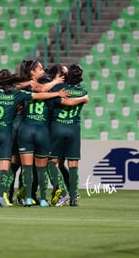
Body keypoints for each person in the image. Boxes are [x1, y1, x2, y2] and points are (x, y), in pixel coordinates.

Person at [0, 69, 70, 207]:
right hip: (7, 132)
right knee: (9, 165)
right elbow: (39, 95)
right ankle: (16, 195)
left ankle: (5, 194)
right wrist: (57, 93)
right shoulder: (17, 94)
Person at [17, 62, 88, 207]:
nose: (63, 76)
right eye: (62, 73)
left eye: (65, 73)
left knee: (42, 164)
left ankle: (49, 193)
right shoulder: (70, 89)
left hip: (50, 128)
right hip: (60, 129)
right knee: (62, 164)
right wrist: (84, 98)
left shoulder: (54, 87)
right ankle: (69, 195)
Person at [47, 63, 89, 206]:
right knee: (73, 164)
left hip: (58, 126)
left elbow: (65, 101)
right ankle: (73, 197)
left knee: (51, 162)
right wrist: (83, 99)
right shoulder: (83, 92)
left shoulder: (59, 89)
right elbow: (76, 101)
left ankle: (63, 192)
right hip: (74, 129)